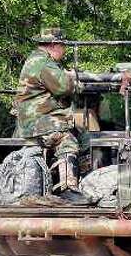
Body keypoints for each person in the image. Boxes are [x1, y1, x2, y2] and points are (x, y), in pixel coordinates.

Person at [12, 27, 87, 198]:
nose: (64, 50)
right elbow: (64, 87)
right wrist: (74, 79)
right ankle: (68, 189)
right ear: (54, 45)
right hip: (41, 122)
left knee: (78, 132)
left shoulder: (35, 60)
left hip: (30, 122)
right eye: (63, 46)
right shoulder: (44, 64)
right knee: (68, 141)